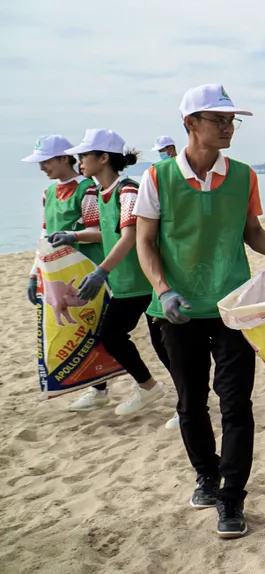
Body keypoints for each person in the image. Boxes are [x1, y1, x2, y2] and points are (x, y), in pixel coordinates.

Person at [135, 84, 265, 538]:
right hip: (177, 312)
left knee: (236, 404)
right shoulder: (157, 178)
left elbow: (251, 231)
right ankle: (206, 476)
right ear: (190, 124)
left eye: (232, 120)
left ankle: (232, 498)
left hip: (234, 309)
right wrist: (164, 289)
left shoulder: (244, 176)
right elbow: (145, 241)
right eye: (219, 119)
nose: (229, 126)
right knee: (191, 403)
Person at [65, 129, 172, 418]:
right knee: (120, 337)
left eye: (83, 155)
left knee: (156, 344)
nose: (79, 161)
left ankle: (177, 398)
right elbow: (106, 234)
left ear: (103, 157)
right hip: (124, 283)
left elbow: (130, 235)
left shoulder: (128, 190)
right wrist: (73, 237)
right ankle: (153, 389)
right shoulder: (101, 192)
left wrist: (101, 270)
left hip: (144, 281)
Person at [22, 134, 106, 410]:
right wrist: (35, 274)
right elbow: (44, 235)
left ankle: (99, 388)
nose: (42, 168)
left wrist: (72, 235)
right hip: (55, 272)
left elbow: (98, 231)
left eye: (46, 162)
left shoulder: (87, 190)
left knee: (91, 328)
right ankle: (94, 387)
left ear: (63, 158)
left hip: (85, 268)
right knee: (72, 328)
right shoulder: (48, 193)